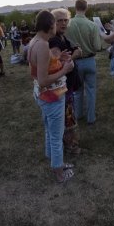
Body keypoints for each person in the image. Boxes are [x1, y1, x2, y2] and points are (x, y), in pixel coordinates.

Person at [28, 10, 76, 184]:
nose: (58, 25)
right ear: (50, 26)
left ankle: (53, 159)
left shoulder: (36, 41)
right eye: (56, 23)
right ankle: (59, 170)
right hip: (51, 96)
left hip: (45, 96)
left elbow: (42, 66)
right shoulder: (41, 45)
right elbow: (42, 80)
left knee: (50, 129)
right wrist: (64, 69)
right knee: (57, 135)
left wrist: (58, 58)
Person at [49, 8, 82, 155]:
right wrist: (74, 55)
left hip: (68, 84)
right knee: (68, 117)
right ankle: (71, 146)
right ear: (53, 23)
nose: (63, 23)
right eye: (59, 20)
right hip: (62, 86)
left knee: (68, 114)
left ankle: (67, 143)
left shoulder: (63, 38)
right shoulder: (54, 40)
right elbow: (59, 64)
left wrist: (73, 53)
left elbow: (74, 50)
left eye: (65, 20)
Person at [66, 0, 101, 125]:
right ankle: (91, 118)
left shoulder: (68, 24)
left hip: (75, 62)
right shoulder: (92, 25)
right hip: (90, 60)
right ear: (86, 8)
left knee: (77, 90)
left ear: (75, 8)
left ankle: (79, 114)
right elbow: (97, 46)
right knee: (91, 90)